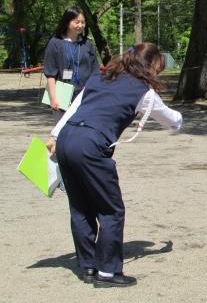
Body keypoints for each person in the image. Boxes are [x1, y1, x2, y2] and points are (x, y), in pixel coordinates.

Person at [46, 43, 182, 288]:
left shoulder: (100, 76)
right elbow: (170, 120)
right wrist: (180, 121)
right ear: (149, 65)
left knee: (80, 208)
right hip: (92, 145)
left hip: (67, 139)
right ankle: (108, 273)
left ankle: (87, 266)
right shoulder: (143, 91)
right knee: (111, 210)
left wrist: (55, 135)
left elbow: (75, 106)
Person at [43, 7, 99, 120]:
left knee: (82, 132)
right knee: (63, 132)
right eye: (76, 22)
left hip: (85, 95)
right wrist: (53, 98)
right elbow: (50, 74)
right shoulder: (55, 43)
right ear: (67, 22)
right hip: (63, 95)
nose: (80, 25)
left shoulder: (87, 44)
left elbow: (95, 72)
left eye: (83, 22)